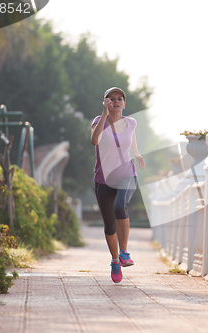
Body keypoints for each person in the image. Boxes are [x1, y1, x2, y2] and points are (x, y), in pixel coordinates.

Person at [90, 87, 145, 283]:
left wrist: (137, 153)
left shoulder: (131, 123)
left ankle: (124, 253)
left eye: (119, 99)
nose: (115, 101)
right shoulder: (98, 121)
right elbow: (94, 140)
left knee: (120, 206)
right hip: (104, 178)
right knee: (109, 225)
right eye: (111, 99)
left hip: (126, 174)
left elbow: (131, 139)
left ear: (124, 103)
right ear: (105, 102)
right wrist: (104, 115)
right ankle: (115, 261)